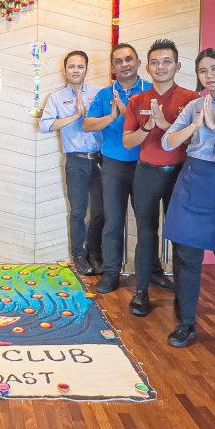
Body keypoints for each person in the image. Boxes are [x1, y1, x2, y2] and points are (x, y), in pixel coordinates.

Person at [161, 47, 215, 347]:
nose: (209, 76)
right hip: (193, 179)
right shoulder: (194, 106)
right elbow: (168, 140)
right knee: (186, 256)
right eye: (203, 71)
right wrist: (197, 126)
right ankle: (185, 323)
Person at [84, 43, 170, 294]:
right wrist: (113, 116)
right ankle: (111, 274)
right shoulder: (104, 95)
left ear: (138, 63)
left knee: (147, 221)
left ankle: (153, 271)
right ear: (113, 67)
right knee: (113, 221)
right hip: (113, 166)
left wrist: (132, 114)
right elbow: (88, 125)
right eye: (119, 61)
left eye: (129, 59)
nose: (124, 64)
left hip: (146, 164)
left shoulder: (151, 92)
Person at [121, 39, 199, 317]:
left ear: (177, 65)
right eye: (155, 62)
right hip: (146, 174)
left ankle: (183, 296)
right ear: (148, 67)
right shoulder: (137, 101)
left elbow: (200, 142)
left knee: (179, 236)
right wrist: (148, 126)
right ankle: (141, 291)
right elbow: (129, 142)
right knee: (145, 234)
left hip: (180, 175)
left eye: (167, 61)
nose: (161, 67)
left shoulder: (192, 100)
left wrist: (168, 128)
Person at [39, 50, 104, 276]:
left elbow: (109, 121)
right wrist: (75, 117)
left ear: (86, 69)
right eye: (72, 67)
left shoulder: (99, 93)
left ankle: (95, 254)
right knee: (77, 212)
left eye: (80, 66)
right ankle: (78, 255)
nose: (76, 70)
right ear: (64, 70)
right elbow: (45, 125)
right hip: (75, 161)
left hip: (100, 160)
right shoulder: (57, 98)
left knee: (99, 211)